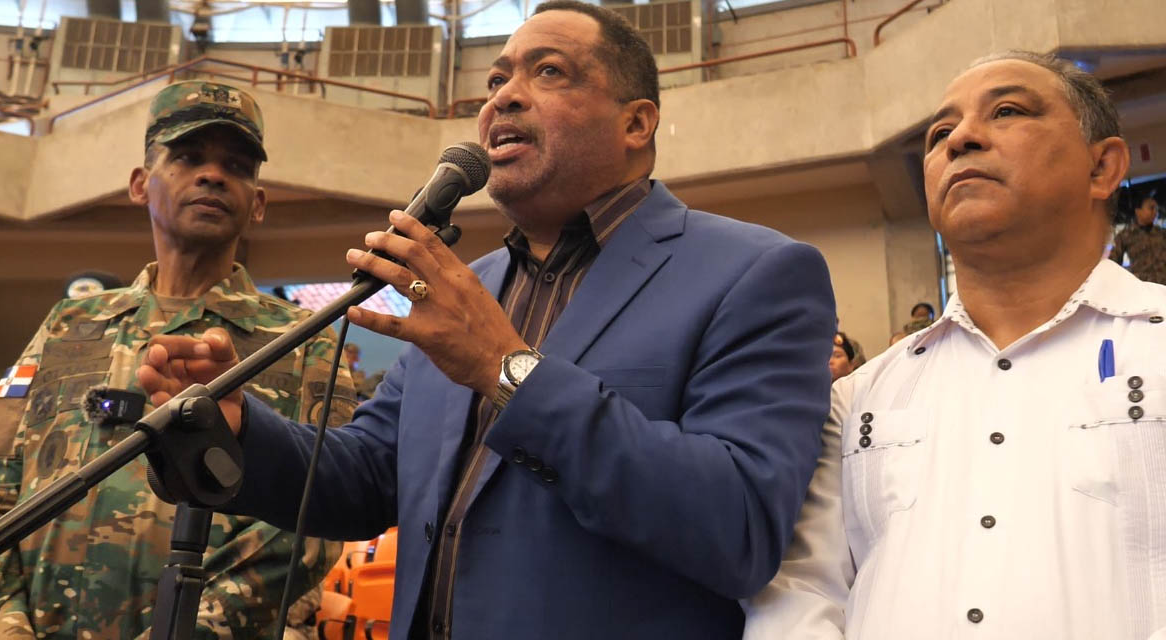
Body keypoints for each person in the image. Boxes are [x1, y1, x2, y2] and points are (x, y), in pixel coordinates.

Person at [137, 2, 837, 637]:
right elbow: (368, 476)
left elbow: (739, 527)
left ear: (636, 123)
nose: (503, 95)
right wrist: (239, 429)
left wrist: (507, 371)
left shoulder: (756, 274)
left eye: (549, 71)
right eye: (497, 79)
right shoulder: (467, 289)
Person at [742, 51, 1166, 639]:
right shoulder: (859, 399)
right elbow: (802, 591)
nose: (961, 138)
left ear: (1102, 167)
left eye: (1007, 111)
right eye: (941, 133)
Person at [0, 81, 356, 640]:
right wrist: (2, 626)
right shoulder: (69, 324)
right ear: (140, 184)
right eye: (187, 157)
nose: (212, 175)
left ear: (258, 204)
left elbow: (309, 521)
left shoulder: (304, 341)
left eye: (236, 165)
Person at [1109, 189, 1165, 284]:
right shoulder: (1125, 235)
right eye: (1151, 208)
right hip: (1142, 287)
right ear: (1138, 211)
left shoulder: (1162, 233)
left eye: (1156, 209)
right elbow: (1113, 263)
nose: (1155, 212)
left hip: (1163, 287)